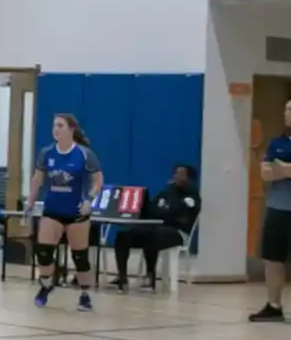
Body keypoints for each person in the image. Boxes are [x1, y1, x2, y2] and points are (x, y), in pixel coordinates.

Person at [29, 113, 104, 312]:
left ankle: (85, 294)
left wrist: (89, 200)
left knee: (80, 256)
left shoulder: (84, 154)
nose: (56, 129)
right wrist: (30, 201)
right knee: (43, 253)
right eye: (54, 125)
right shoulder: (46, 153)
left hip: (77, 213)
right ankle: (46, 285)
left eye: (60, 125)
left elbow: (98, 181)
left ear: (71, 129)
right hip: (52, 210)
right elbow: (37, 180)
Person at [115, 163, 198, 292]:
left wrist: (166, 212)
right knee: (123, 236)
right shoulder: (166, 191)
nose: (176, 176)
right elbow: (151, 209)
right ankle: (122, 277)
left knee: (153, 234)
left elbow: (177, 211)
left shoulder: (192, 195)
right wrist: (167, 212)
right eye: (175, 173)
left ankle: (150, 276)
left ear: (189, 179)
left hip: (179, 233)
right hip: (158, 227)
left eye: (181, 174)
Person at [251, 97, 291, 322]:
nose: (287, 113)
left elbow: (277, 170)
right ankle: (273, 305)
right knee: (272, 258)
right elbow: (266, 173)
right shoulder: (276, 142)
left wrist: (283, 168)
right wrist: (289, 170)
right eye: (286, 108)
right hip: (277, 208)